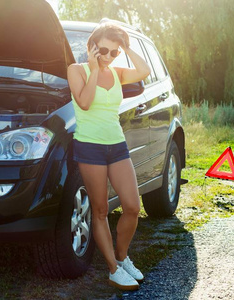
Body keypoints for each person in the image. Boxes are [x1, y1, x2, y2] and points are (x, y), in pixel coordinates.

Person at [67, 22, 150, 291]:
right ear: (92, 46)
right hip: (89, 147)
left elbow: (144, 71)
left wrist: (125, 46)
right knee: (100, 210)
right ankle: (113, 269)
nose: (109, 56)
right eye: (104, 49)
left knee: (132, 207)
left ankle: (123, 257)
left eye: (115, 52)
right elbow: (85, 102)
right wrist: (93, 67)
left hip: (117, 145)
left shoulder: (117, 72)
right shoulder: (76, 70)